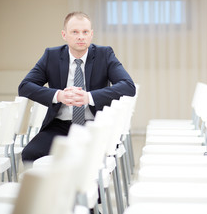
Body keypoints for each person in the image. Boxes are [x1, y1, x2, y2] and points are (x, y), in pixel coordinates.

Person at [19, 12, 136, 162]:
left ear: (91, 34)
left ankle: (91, 186)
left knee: (90, 163)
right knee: (30, 154)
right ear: (64, 35)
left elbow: (128, 86)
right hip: (60, 126)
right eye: (74, 32)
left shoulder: (104, 54)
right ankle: (52, 186)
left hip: (94, 125)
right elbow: (25, 86)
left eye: (85, 32)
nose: (81, 37)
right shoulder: (51, 56)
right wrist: (58, 95)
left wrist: (89, 97)